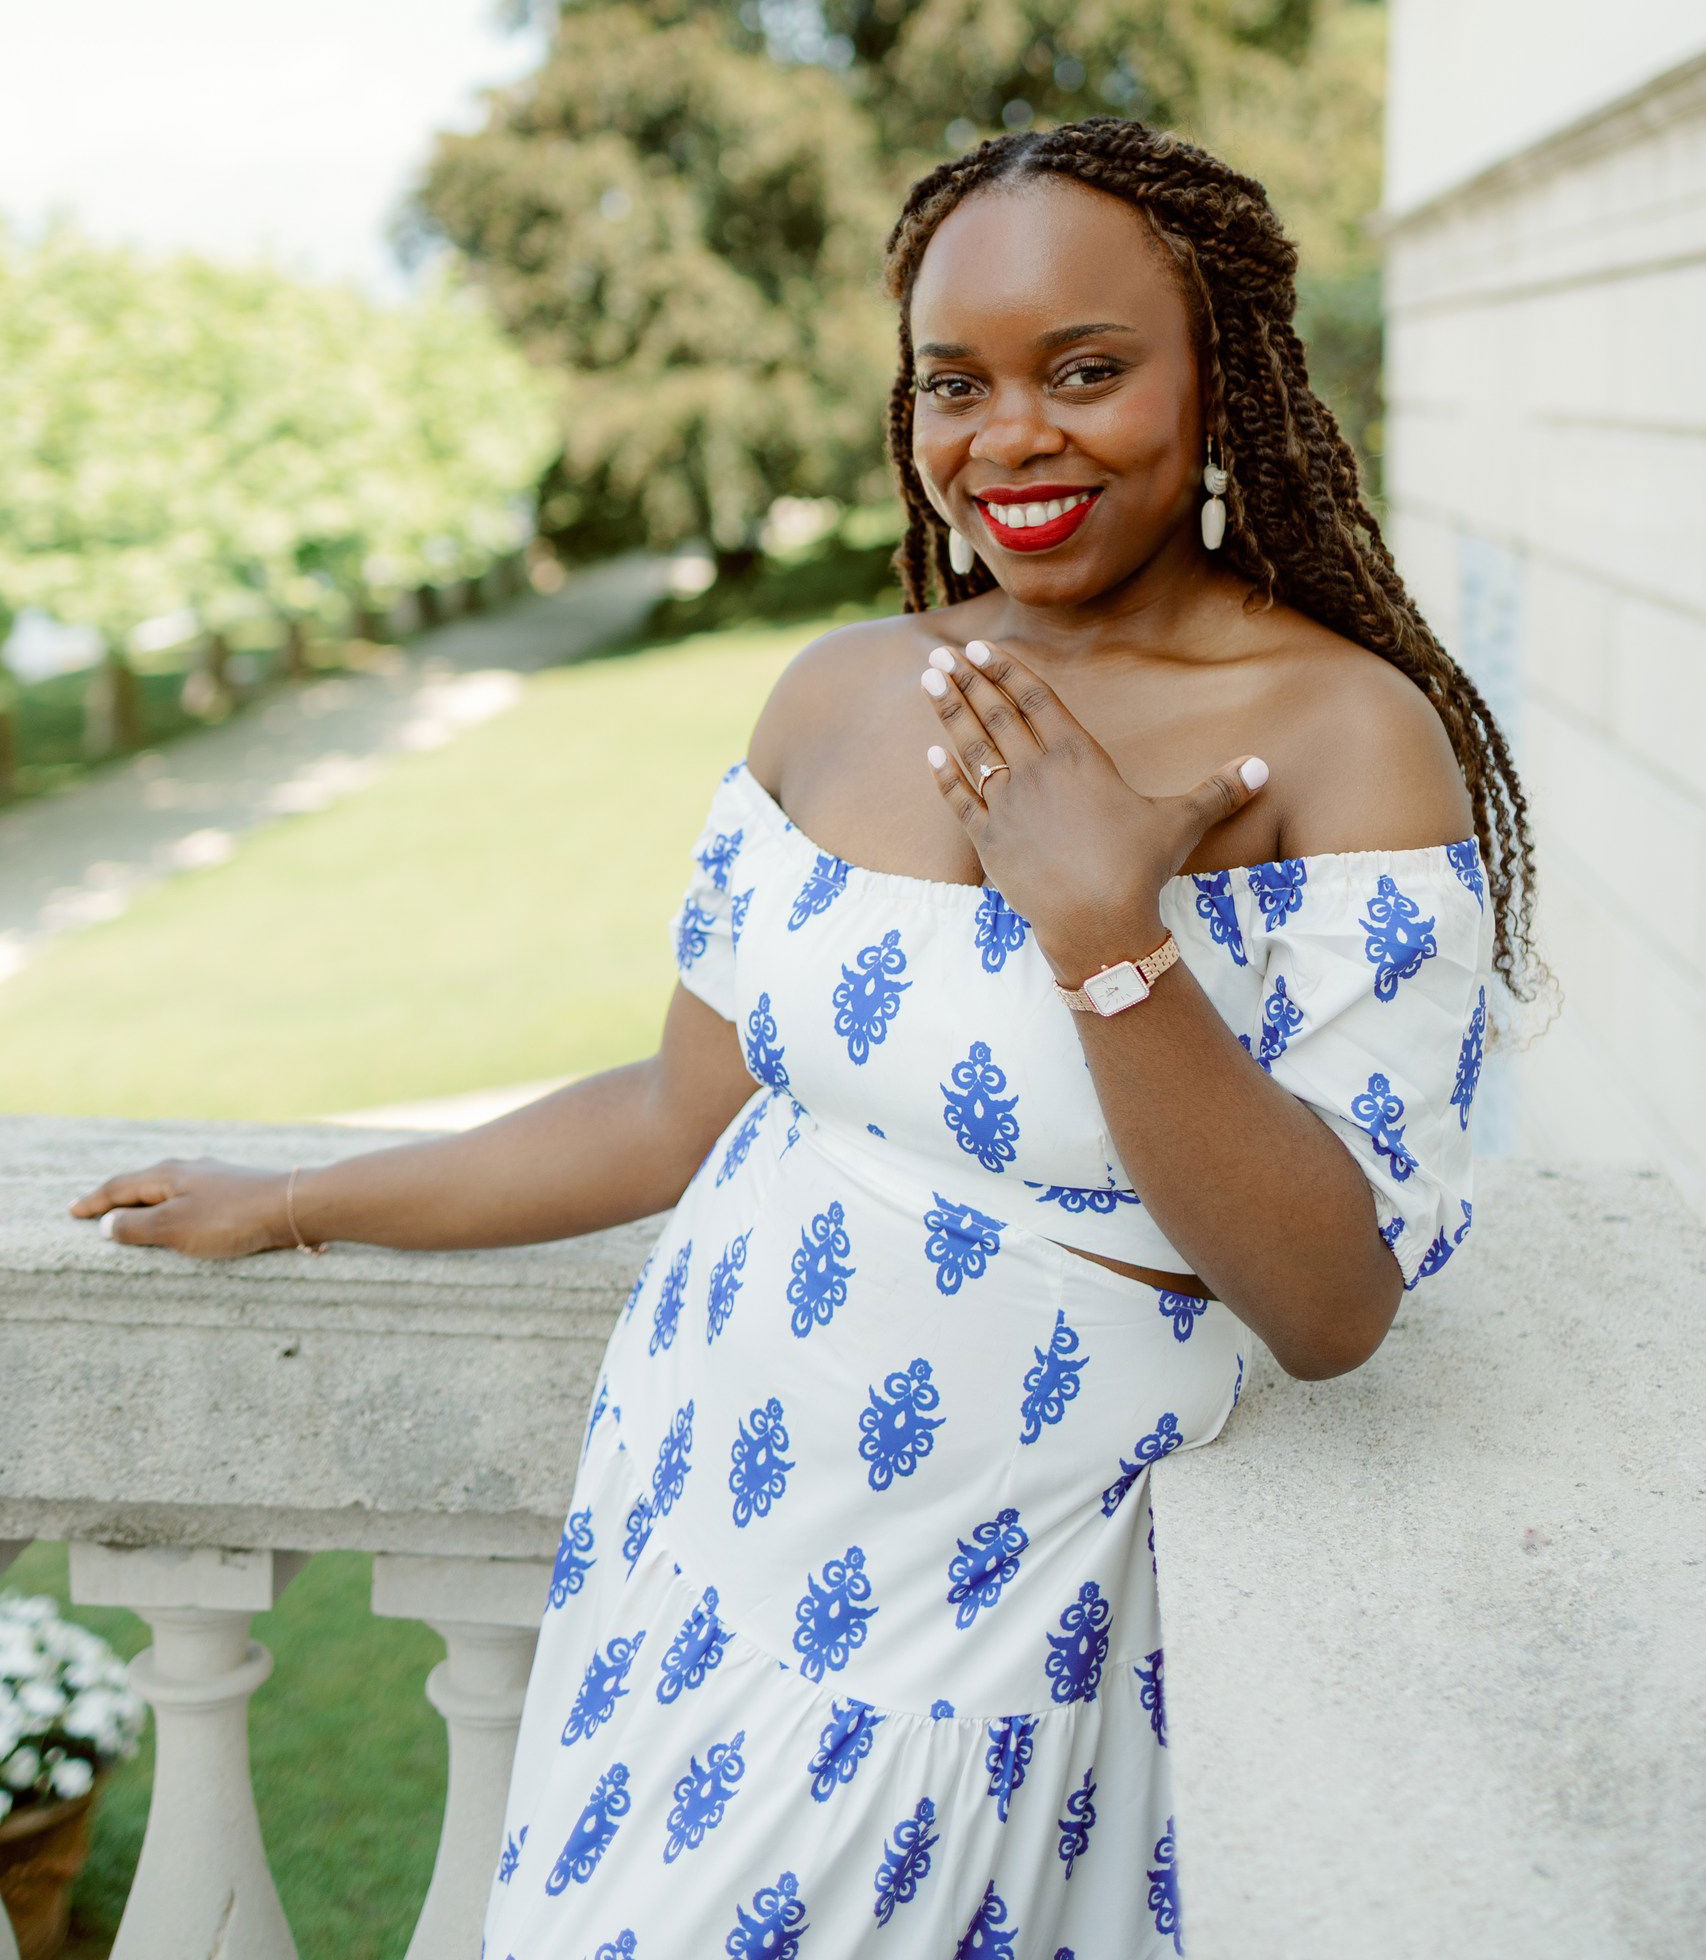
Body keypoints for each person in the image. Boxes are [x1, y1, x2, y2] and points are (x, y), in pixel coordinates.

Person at [73, 119, 1531, 1958]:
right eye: (955, 383)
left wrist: (1107, 938)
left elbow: (1328, 1307)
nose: (1008, 436)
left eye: (1086, 370)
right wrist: (290, 1203)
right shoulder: (840, 692)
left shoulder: (1339, 738)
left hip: (966, 1627)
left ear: (1219, 375)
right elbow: (673, 1109)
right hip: (687, 1530)